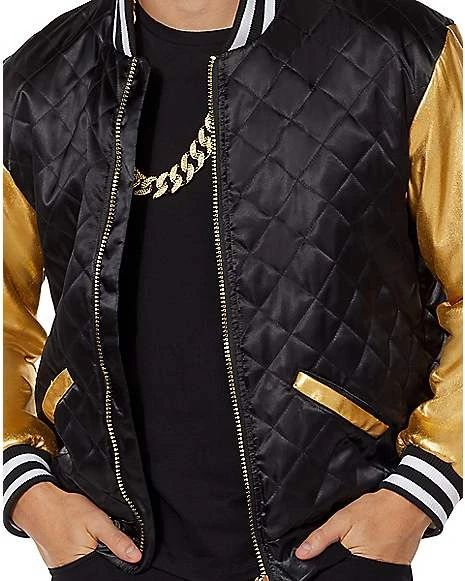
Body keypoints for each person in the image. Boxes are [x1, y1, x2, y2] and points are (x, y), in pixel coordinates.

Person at [3, 1, 463, 580]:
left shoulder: (400, 52)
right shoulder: (37, 83)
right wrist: (27, 487)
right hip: (105, 549)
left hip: (335, 545)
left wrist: (421, 487)